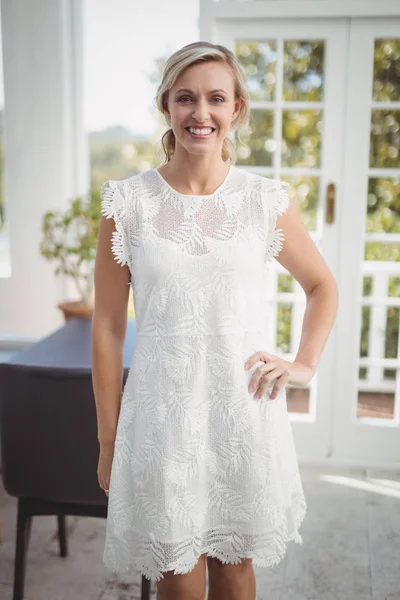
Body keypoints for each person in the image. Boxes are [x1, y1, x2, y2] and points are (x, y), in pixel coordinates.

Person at [91, 41, 338, 600]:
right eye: (186, 98)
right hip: (163, 418)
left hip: (241, 413)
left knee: (234, 569)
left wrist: (303, 365)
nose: (200, 113)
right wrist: (108, 439)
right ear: (166, 107)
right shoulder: (126, 204)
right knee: (177, 576)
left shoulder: (264, 200)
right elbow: (106, 326)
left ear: (236, 110)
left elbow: (323, 287)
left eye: (215, 99)